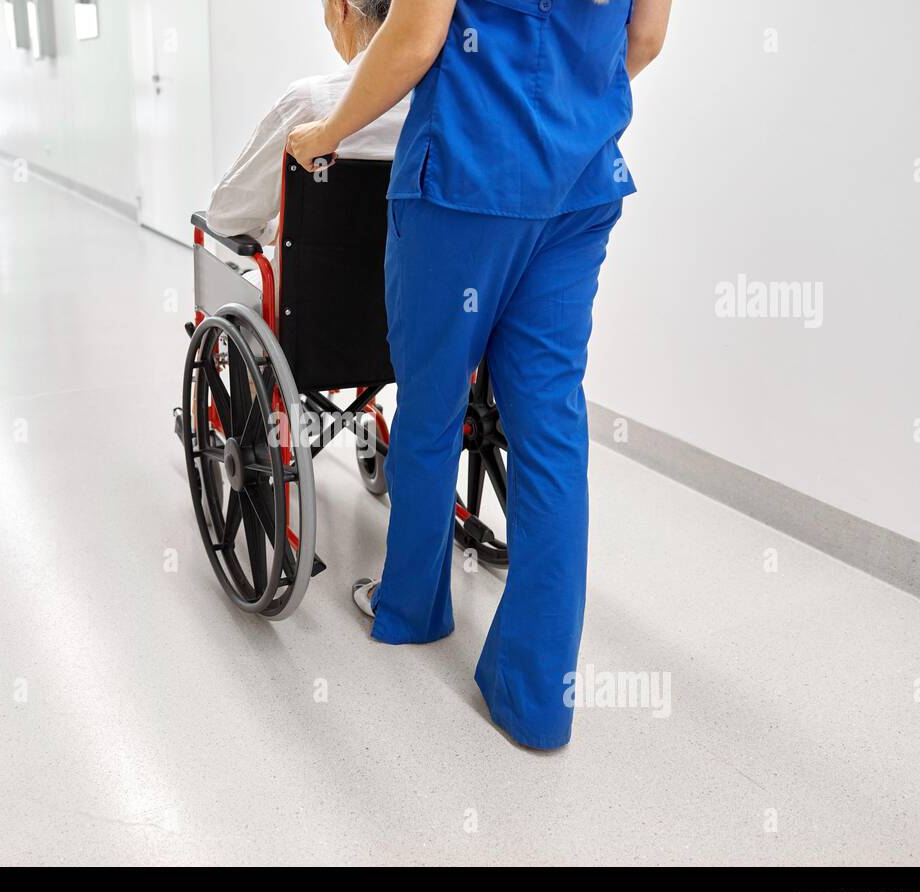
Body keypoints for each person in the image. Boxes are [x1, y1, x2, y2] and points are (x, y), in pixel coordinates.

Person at [287, 0, 672, 750]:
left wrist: (326, 133)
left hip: (465, 184)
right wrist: (564, 114)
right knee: (553, 429)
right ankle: (535, 700)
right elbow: (647, 38)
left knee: (432, 407)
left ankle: (411, 609)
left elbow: (419, 35)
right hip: (579, 187)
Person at [206, 0, 409, 250]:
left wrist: (281, 230)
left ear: (340, 7)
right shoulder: (446, 109)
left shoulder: (311, 101)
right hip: (420, 286)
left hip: (316, 288)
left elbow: (226, 216)